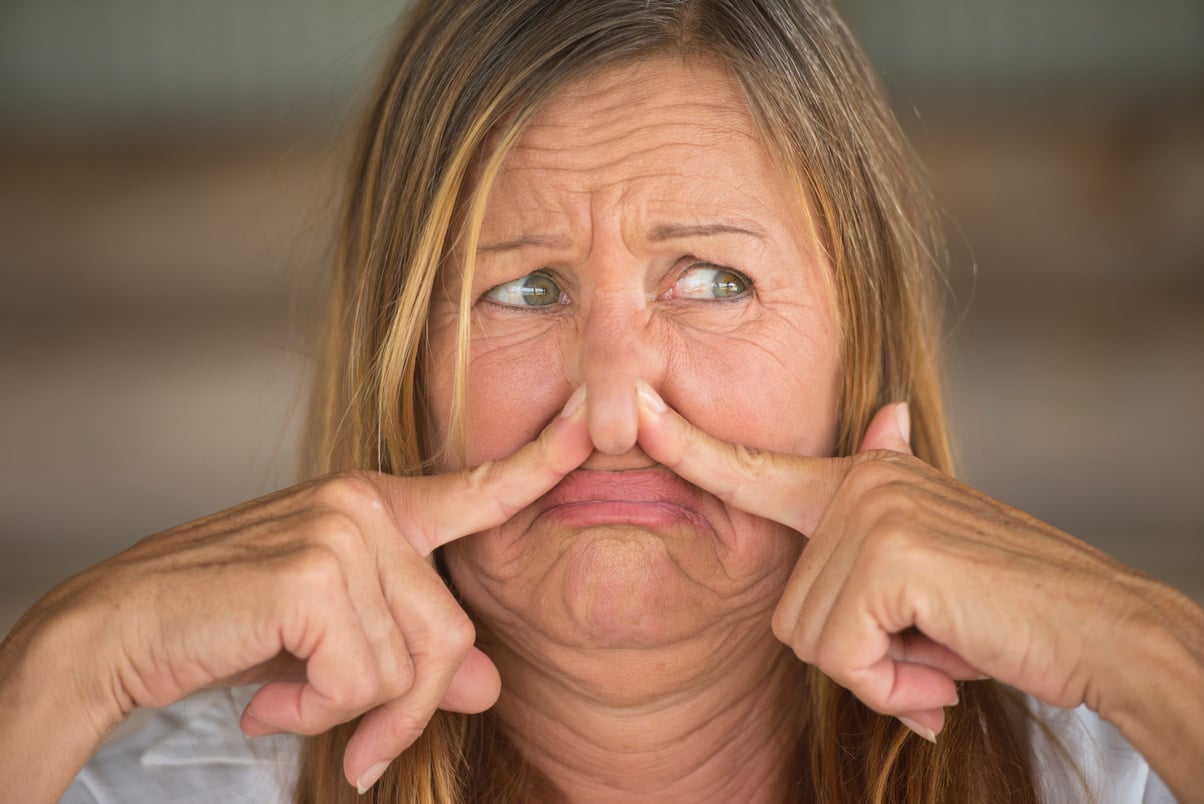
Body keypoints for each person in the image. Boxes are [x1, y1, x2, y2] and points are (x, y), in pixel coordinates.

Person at [1, 0, 1200, 802]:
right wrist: (60, 671)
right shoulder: (172, 785)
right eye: (522, 288)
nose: (616, 406)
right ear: (404, 368)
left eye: (714, 281)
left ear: (861, 344)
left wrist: (1158, 657)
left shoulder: (1124, 768)